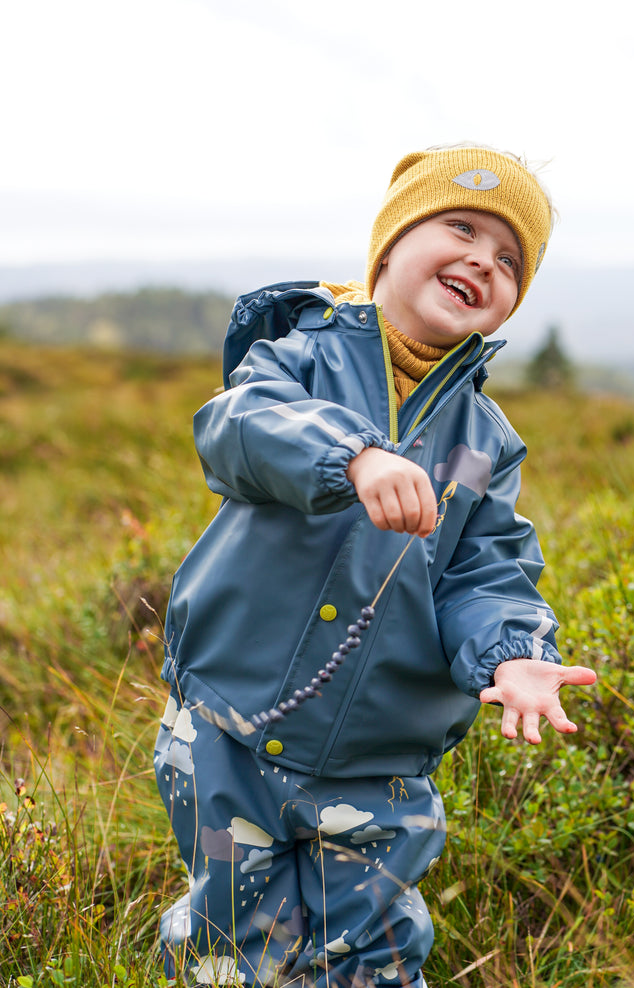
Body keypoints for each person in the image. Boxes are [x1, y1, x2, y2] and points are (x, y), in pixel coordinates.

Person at [153, 145, 597, 988]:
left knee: (375, 953)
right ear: (388, 247)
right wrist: (352, 455)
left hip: (376, 758)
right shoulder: (299, 356)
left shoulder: (484, 443)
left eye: (509, 261)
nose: (482, 260)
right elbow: (237, 427)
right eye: (460, 228)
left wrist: (512, 652)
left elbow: (486, 571)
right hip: (228, 726)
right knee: (230, 941)